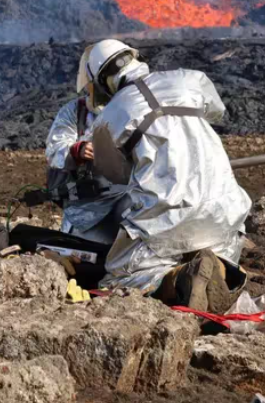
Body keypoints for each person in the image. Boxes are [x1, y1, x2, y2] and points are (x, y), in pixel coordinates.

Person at [86, 39, 251, 312]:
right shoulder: (191, 79)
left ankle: (176, 278)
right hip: (226, 211)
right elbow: (217, 112)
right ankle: (218, 268)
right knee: (216, 249)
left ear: (104, 81)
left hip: (166, 217)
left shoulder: (110, 115)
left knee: (118, 279)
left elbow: (115, 174)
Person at [44, 44, 124, 244]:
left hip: (128, 209)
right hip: (85, 213)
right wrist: (77, 151)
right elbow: (55, 149)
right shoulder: (76, 112)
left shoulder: (134, 111)